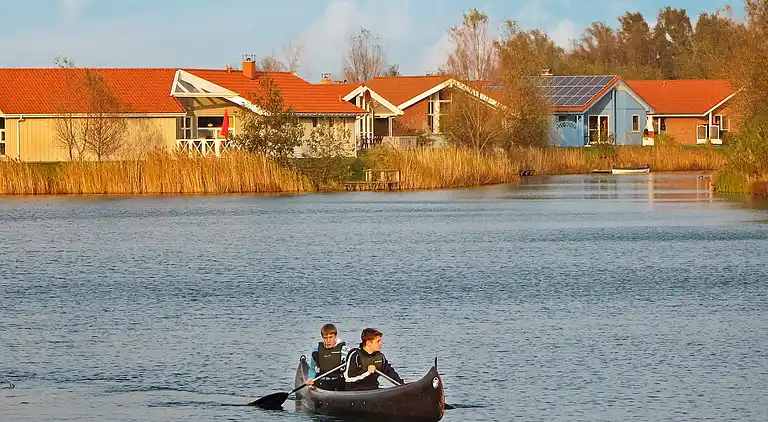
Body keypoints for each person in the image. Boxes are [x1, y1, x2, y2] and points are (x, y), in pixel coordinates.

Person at [304, 323, 349, 391]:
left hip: (339, 381)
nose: (328, 341)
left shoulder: (345, 350)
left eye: (331, 337)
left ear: (335, 336)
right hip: (323, 381)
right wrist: (310, 378)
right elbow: (312, 369)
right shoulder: (316, 351)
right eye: (325, 338)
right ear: (322, 338)